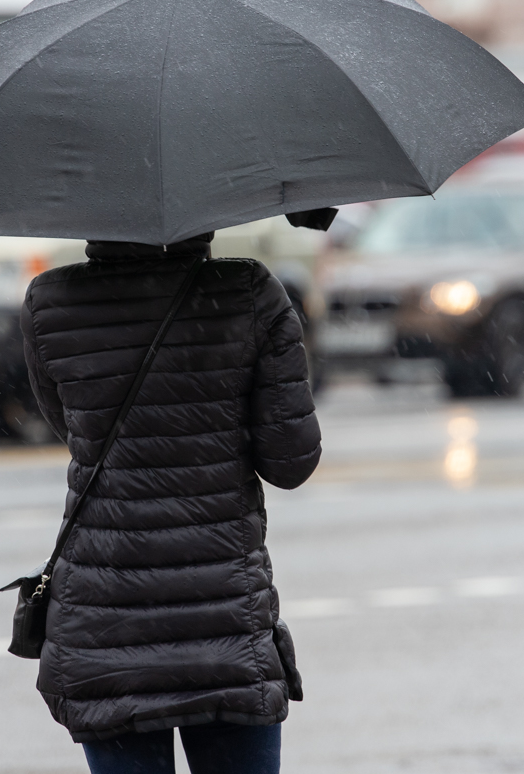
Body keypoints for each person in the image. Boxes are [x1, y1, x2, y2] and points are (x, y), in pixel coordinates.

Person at [20, 232, 322, 774]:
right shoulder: (249, 292)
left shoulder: (50, 302)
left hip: (102, 628)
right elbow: (290, 463)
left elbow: (73, 431)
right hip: (225, 622)